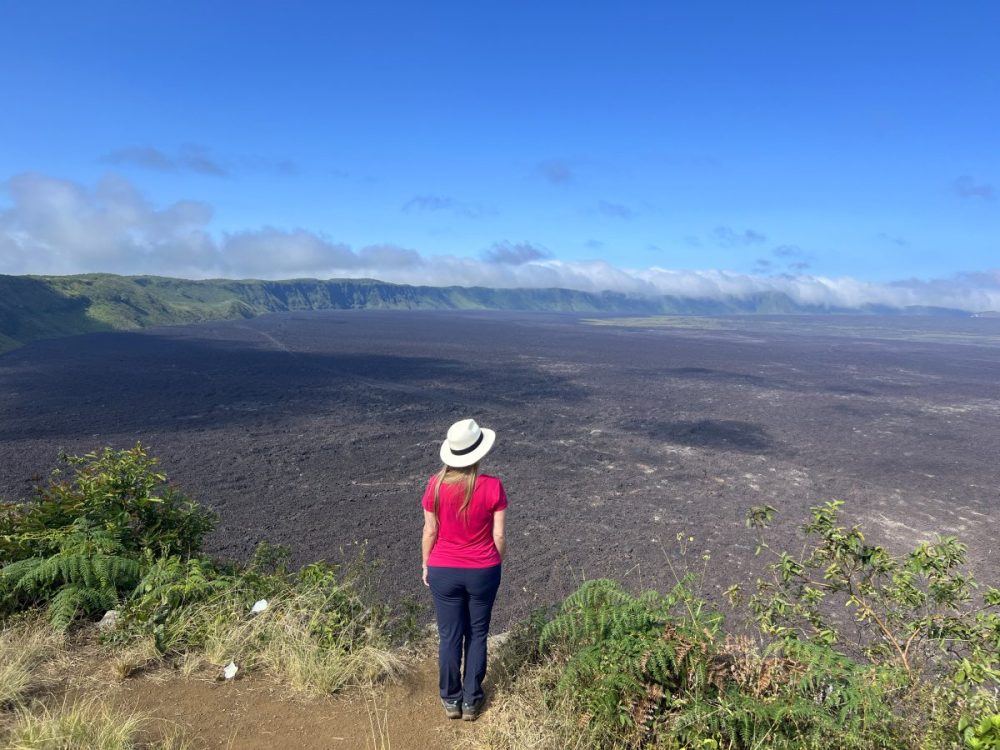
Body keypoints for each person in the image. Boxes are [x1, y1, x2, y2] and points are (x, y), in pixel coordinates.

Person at [421, 418, 507, 721]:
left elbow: (429, 531)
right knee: (478, 634)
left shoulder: (434, 485)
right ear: (478, 452)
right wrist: (493, 564)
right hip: (484, 570)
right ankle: (471, 701)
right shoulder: (493, 487)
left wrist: (425, 564)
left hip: (443, 568)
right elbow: (498, 535)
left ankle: (450, 700)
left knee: (449, 636)